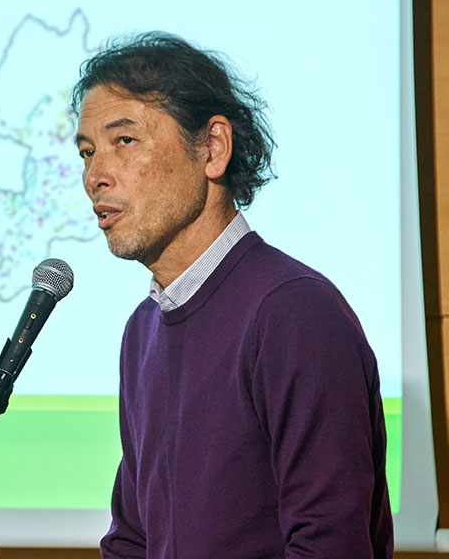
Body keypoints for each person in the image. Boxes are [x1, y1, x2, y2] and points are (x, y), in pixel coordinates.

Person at [72, 33, 394, 559]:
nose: (95, 176)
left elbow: (329, 544)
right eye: (87, 152)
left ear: (213, 148)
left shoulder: (294, 312)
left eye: (124, 141)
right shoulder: (143, 329)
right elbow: (132, 538)